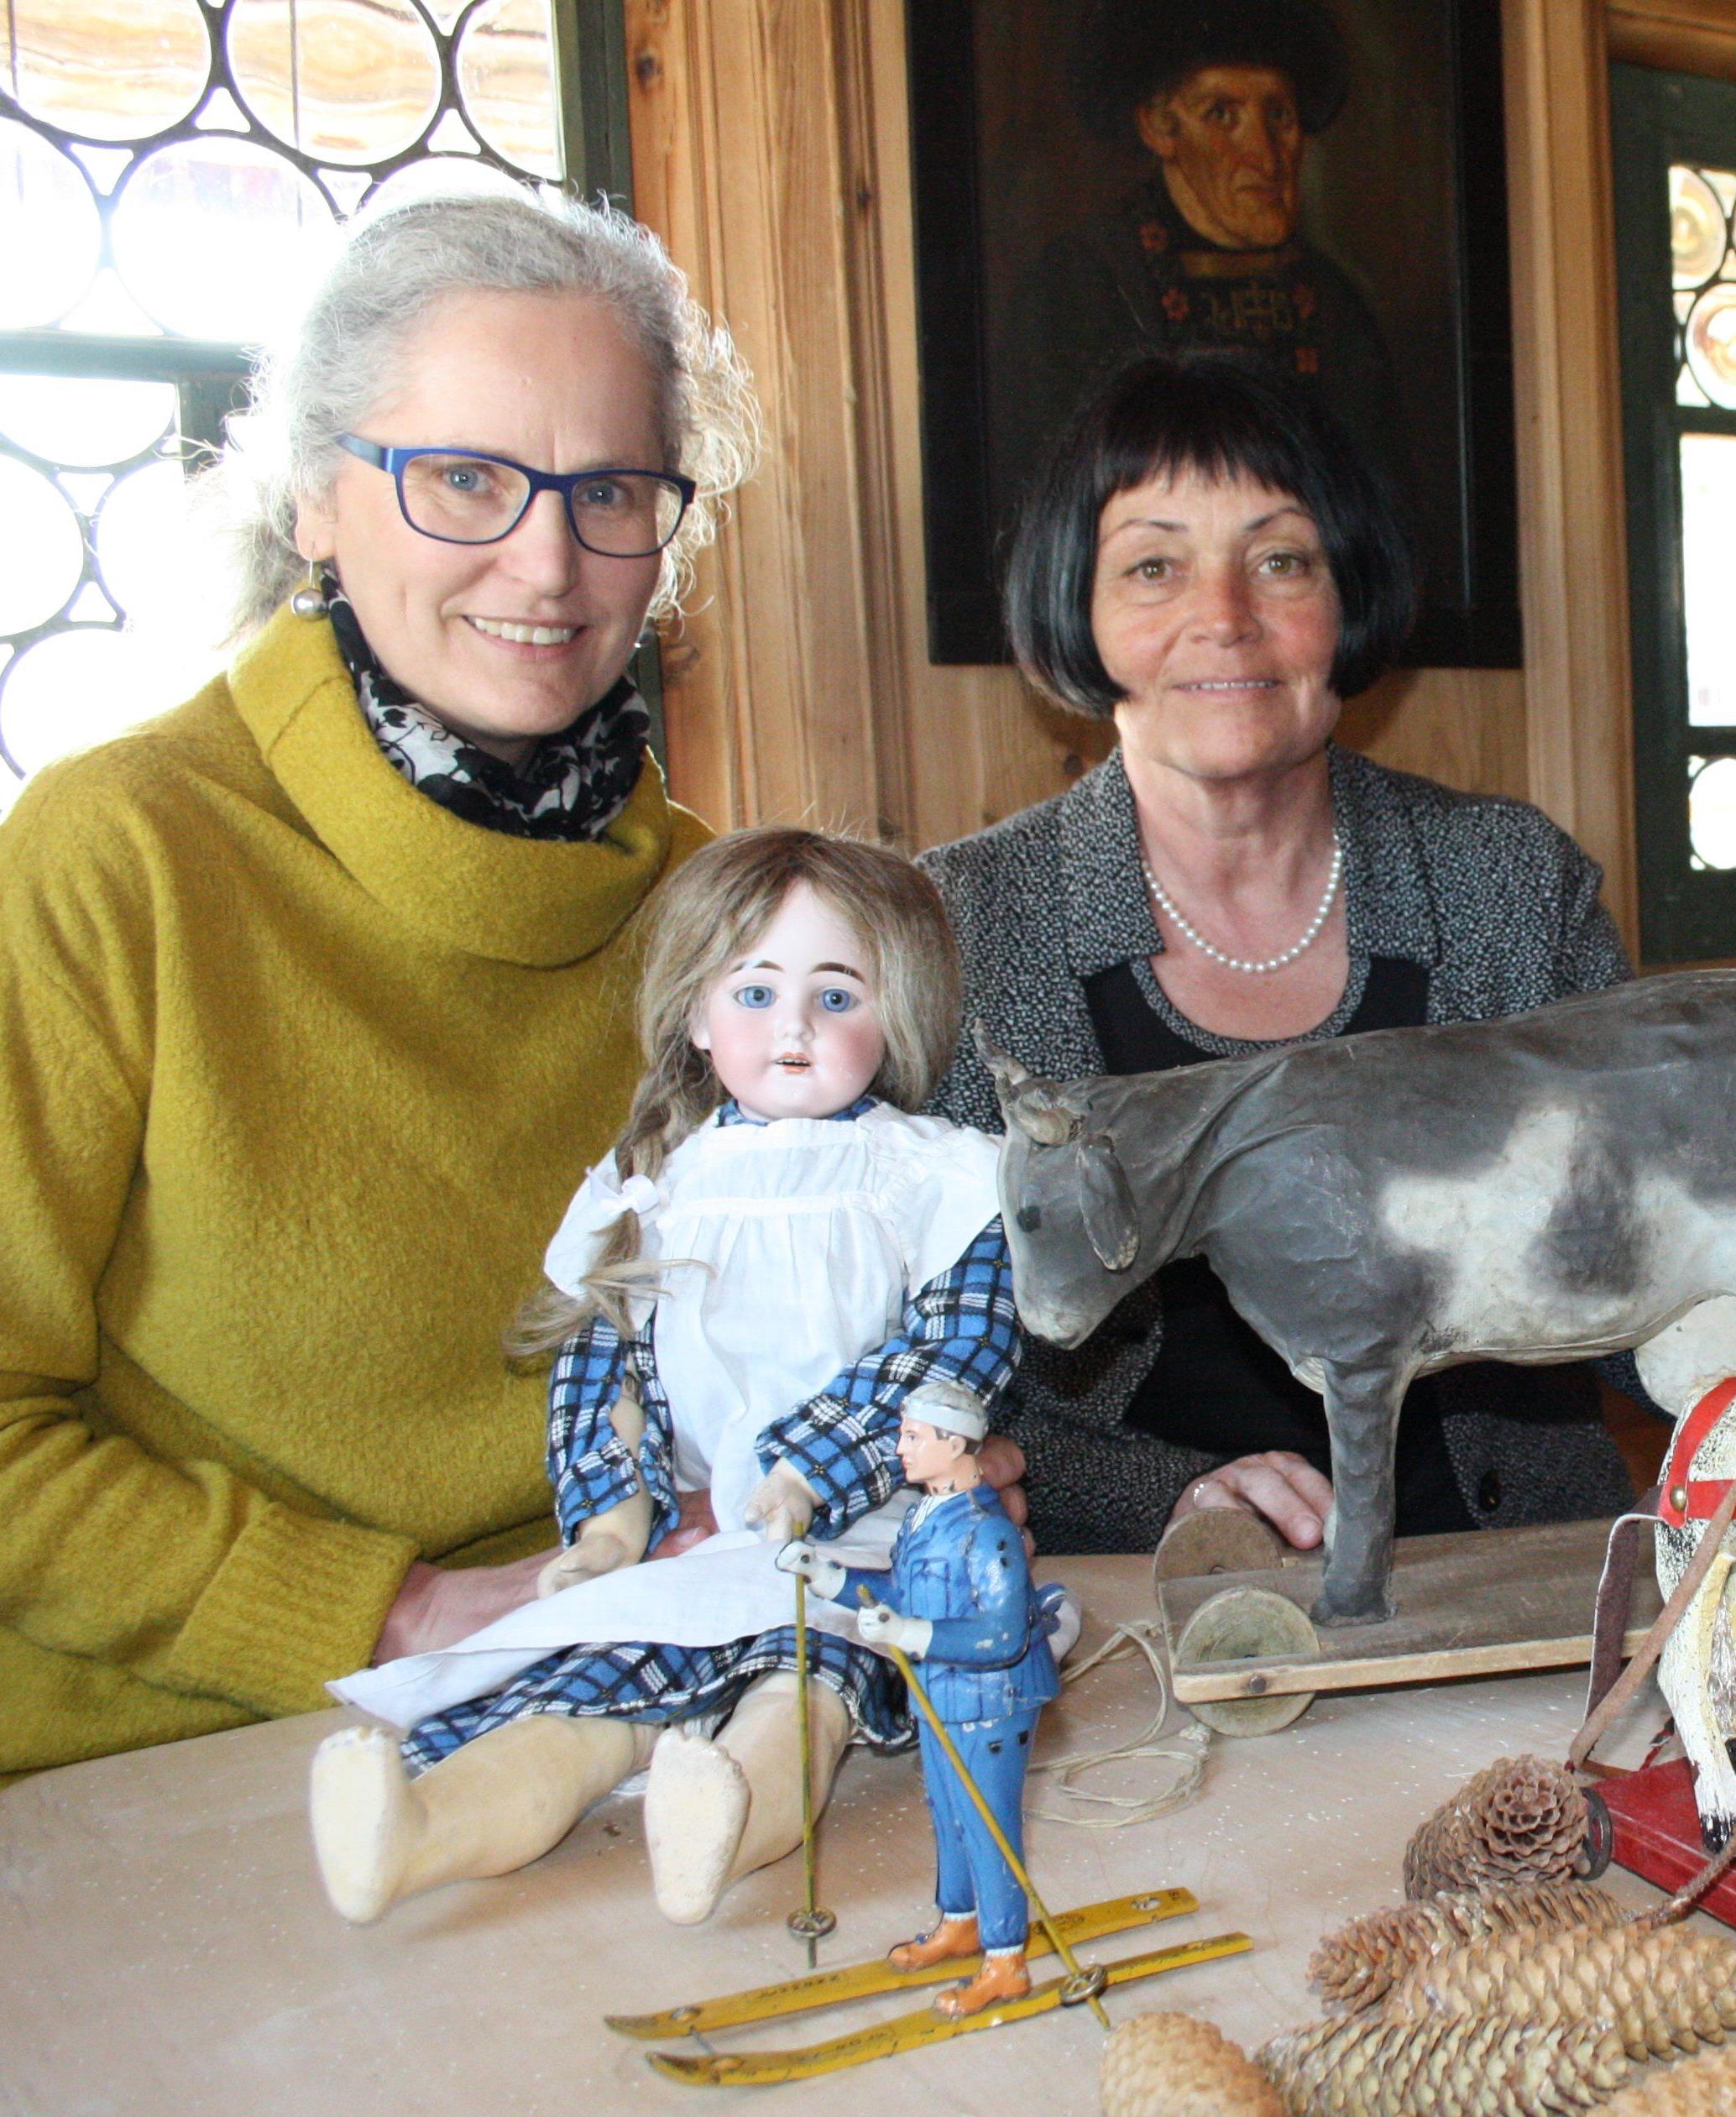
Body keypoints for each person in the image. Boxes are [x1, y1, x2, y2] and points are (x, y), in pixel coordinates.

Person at [0, 192, 760, 1782]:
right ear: (315, 500)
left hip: (615, 1710)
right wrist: (407, 1613)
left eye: (608, 488)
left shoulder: (715, 907)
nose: (545, 564)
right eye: (463, 479)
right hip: (168, 1759)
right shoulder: (114, 852)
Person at [925, 351, 1640, 1558]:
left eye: (1280, 558)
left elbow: (1650, 1270)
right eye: (1154, 564)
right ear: (1080, 609)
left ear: (1347, 593)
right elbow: (919, 1384)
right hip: (1131, 1612)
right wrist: (1167, 1504)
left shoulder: (1511, 884)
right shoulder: (962, 924)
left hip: (1518, 1577)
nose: (1224, 615)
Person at [314, 829, 1021, 1927]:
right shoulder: (652, 1186)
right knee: (584, 1697)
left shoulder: (934, 1174)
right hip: (693, 1537)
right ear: (697, 1015)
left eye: (838, 995)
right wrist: (607, 1520)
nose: (793, 1025)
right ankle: (414, 1835)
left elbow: (949, 1355)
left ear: (896, 1017)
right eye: (754, 989)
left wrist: (807, 1472)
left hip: (865, 1531)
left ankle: (720, 1824)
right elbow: (606, 1368)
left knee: (804, 1694)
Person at [999, 0, 1402, 541]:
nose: (1264, 154)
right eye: (1222, 115)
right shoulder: (1080, 285)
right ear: (1160, 128)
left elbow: (1380, 517)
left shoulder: (1335, 304)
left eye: (1278, 116)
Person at [780, 1403, 1066, 2013]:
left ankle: (1006, 1959)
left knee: (989, 1828)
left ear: (956, 1442)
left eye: (913, 1436)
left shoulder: (986, 1531)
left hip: (993, 1701)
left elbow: (1004, 1632)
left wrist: (913, 1633)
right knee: (948, 1813)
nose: (901, 1447)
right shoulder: (923, 1517)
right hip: (938, 1695)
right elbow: (899, 1596)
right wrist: (827, 1576)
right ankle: (959, 1920)